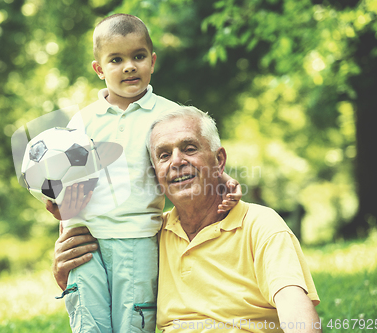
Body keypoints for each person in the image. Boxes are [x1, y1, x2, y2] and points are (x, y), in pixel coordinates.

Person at [45, 14, 241, 333]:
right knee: (88, 319)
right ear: (99, 69)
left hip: (136, 238)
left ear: (152, 61)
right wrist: (54, 199)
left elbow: (201, 155)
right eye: (116, 59)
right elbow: (63, 172)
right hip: (84, 236)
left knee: (134, 319)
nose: (129, 67)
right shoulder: (82, 120)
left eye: (137, 57)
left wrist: (225, 180)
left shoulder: (168, 114)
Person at [53, 106, 322, 333]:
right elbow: (114, 297)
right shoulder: (151, 236)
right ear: (155, 173)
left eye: (189, 148)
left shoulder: (260, 224)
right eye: (164, 155)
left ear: (219, 160)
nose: (177, 161)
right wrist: (66, 274)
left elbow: (294, 306)